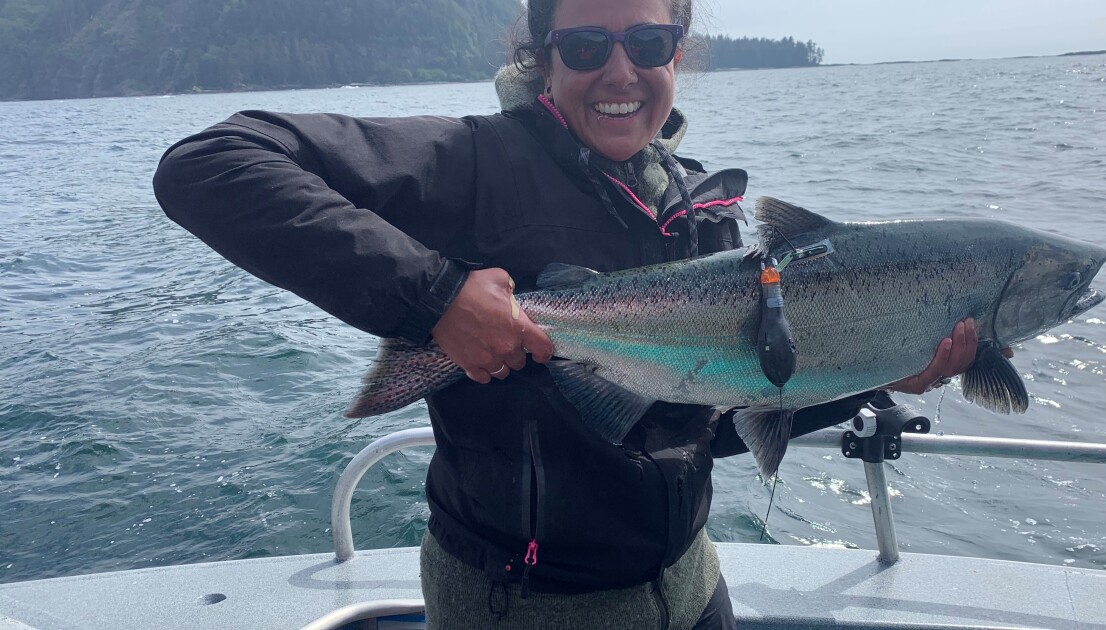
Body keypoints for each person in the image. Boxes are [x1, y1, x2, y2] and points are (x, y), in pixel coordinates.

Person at [153, 0, 981, 627]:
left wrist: (873, 373)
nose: (620, 72)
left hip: (693, 593)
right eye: (586, 47)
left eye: (646, 43)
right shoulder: (469, 163)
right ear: (542, 56)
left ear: (677, 52)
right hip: (518, 609)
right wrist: (436, 297)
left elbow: (714, 425)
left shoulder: (703, 211)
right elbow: (212, 164)